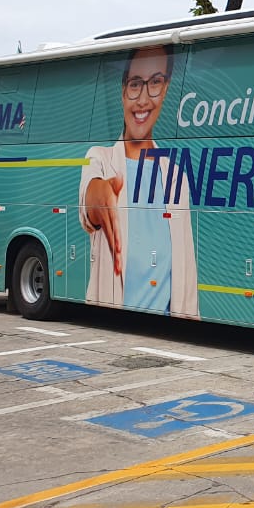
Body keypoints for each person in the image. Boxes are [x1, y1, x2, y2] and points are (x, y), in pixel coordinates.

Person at [79, 45, 198, 316]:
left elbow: (186, 272)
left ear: (165, 88)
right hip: (112, 330)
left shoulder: (175, 175)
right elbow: (91, 197)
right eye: (135, 84)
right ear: (123, 91)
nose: (143, 99)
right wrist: (99, 196)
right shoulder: (101, 159)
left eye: (155, 82)